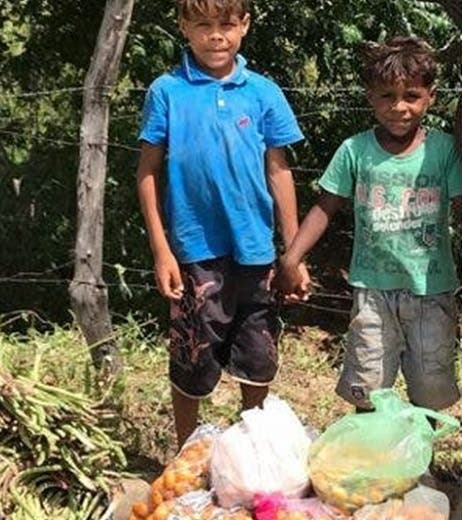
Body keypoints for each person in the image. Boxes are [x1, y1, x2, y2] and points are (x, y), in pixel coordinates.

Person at [136, 0, 311, 447]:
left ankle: (253, 452)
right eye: (203, 25)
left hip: (255, 249)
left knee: (258, 353)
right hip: (194, 251)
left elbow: (279, 171)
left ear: (245, 26)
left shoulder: (263, 92)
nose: (216, 36)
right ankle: (186, 456)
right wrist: (162, 250)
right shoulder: (167, 91)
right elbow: (148, 172)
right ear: (183, 27)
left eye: (227, 24)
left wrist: (292, 253)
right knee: (192, 358)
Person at [276, 36, 462, 413]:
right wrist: (290, 258)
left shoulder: (443, 151)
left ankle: (416, 467)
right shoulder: (355, 151)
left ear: (431, 97)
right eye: (386, 96)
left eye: (411, 95)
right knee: (368, 388)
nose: (399, 107)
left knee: (429, 390)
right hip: (371, 293)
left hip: (431, 290)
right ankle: (375, 470)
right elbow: (325, 206)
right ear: (369, 97)